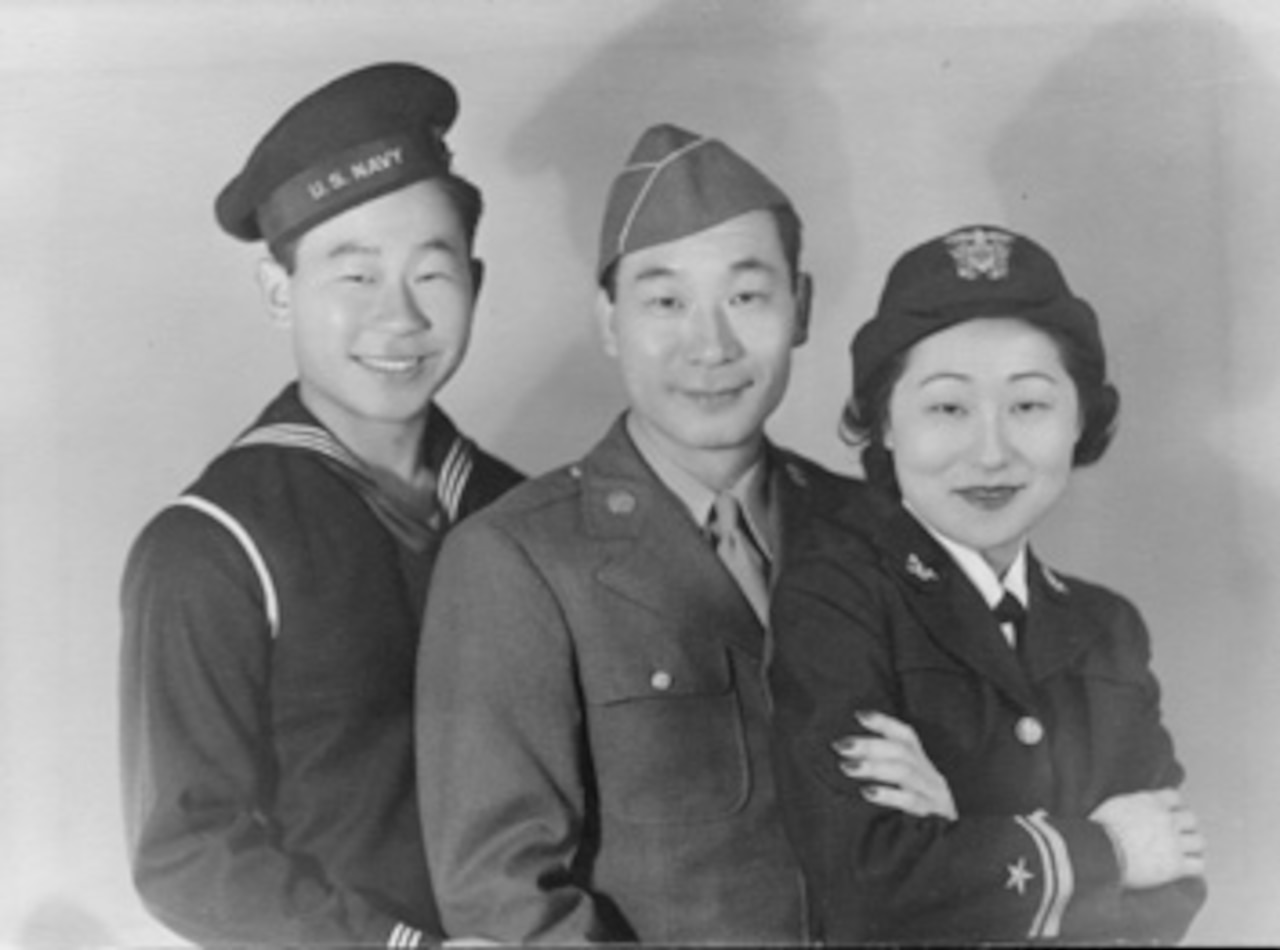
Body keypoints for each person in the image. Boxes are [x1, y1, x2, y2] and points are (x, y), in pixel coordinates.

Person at [413, 124, 953, 945]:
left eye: (747, 297)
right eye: (666, 302)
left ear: (800, 308)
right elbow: (505, 903)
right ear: (608, 319)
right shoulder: (517, 561)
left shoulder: (883, 532)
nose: (711, 345)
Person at [119, 63, 522, 948]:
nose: (400, 319)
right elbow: (187, 853)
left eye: (432, 272)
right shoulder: (212, 545)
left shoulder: (523, 516)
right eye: (354, 276)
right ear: (279, 293)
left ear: (477, 282)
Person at [768, 224, 1208, 944]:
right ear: (884, 424)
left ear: (1080, 421)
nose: (991, 450)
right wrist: (1108, 852)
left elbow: (1174, 881)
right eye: (947, 407)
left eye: (1029, 405)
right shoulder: (838, 597)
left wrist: (960, 837)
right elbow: (870, 884)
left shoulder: (1108, 628)